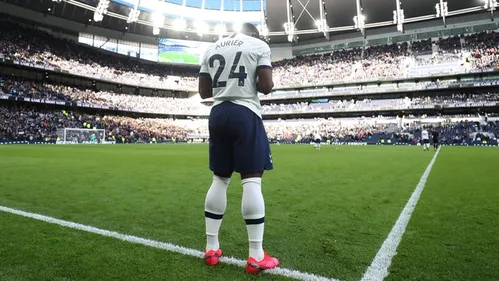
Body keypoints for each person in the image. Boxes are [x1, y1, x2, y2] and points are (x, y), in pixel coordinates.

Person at [198, 23, 279, 274]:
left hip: (217, 113)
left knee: (219, 180)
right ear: (254, 33)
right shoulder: (258, 45)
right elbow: (266, 86)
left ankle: (211, 248)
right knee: (252, 181)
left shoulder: (211, 48)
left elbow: (203, 92)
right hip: (245, 112)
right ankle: (256, 255)